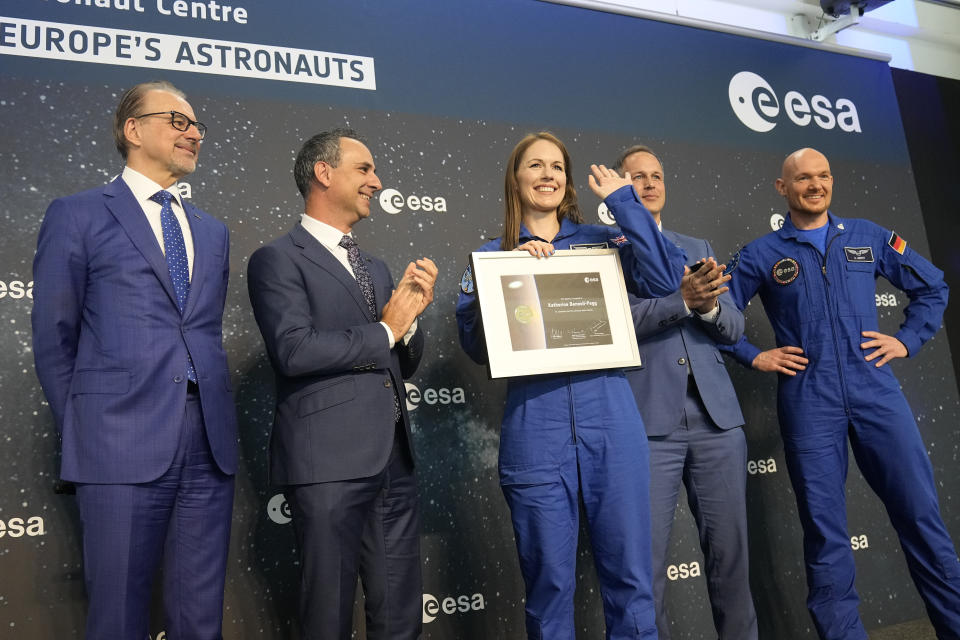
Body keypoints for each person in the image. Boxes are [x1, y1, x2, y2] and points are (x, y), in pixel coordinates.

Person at [456, 132, 687, 640]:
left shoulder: (602, 242)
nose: (547, 176)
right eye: (535, 166)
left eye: (557, 167)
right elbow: (475, 345)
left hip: (611, 420)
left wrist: (624, 203)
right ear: (515, 181)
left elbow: (667, 280)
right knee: (549, 585)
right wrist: (511, 274)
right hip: (535, 428)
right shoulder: (493, 255)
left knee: (630, 581)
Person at [723, 147, 960, 640]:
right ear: (782, 188)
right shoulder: (762, 253)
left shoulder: (869, 237)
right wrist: (753, 355)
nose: (816, 184)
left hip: (876, 392)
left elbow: (933, 286)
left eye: (824, 175)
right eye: (803, 178)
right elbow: (717, 315)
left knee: (921, 519)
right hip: (809, 400)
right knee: (827, 537)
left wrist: (907, 340)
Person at [31, 80, 237, 639]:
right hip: (116, 440)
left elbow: (201, 329)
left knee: (200, 619)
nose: (193, 132)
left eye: (196, 125)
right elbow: (54, 338)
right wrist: (87, 430)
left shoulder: (212, 232)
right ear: (132, 130)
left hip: (208, 443)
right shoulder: (77, 215)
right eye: (177, 120)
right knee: (118, 616)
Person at [247, 129, 437, 640]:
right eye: (365, 169)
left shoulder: (375, 265)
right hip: (327, 462)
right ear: (323, 173)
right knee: (327, 616)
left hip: (393, 459)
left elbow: (405, 363)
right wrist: (386, 328)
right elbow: (294, 351)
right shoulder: (278, 258)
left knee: (400, 617)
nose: (377, 181)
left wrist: (410, 318)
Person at [615, 145, 757, 640]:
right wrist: (681, 300)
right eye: (637, 177)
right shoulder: (607, 251)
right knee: (644, 566)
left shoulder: (695, 244)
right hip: (649, 421)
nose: (650, 184)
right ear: (618, 190)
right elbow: (613, 325)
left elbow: (735, 325)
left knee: (731, 558)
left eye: (656, 175)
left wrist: (708, 308)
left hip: (718, 420)